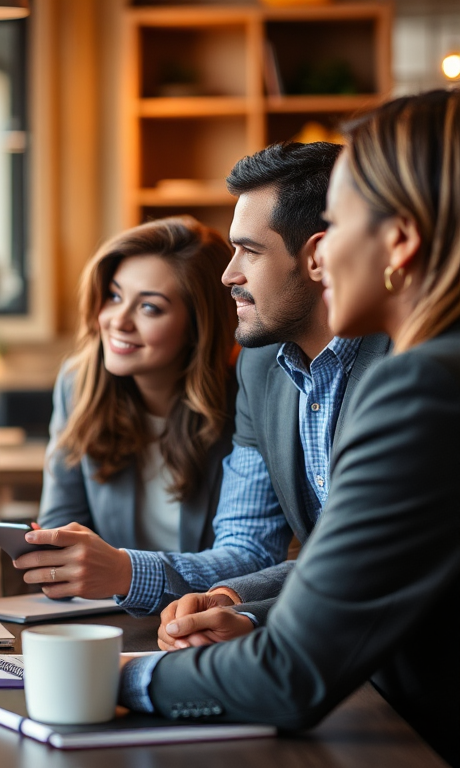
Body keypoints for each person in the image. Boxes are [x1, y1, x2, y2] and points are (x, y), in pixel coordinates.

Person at [120, 88, 460, 767]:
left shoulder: (425, 384)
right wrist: (244, 611)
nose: (323, 255)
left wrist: (108, 676)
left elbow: (290, 675)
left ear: (399, 241)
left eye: (339, 225)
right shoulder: (276, 369)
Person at [19, 142, 389, 614]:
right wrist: (229, 605)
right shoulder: (266, 368)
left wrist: (141, 577)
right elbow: (253, 544)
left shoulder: (402, 367)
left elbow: (356, 560)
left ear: (318, 256)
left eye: (249, 251)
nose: (228, 275)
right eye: (114, 297)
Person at [25, 216, 236, 594]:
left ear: (198, 326)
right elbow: (61, 524)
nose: (117, 321)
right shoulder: (79, 383)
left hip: (205, 619)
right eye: (115, 295)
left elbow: (244, 560)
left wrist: (127, 572)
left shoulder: (243, 402)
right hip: (108, 616)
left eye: (150, 308)